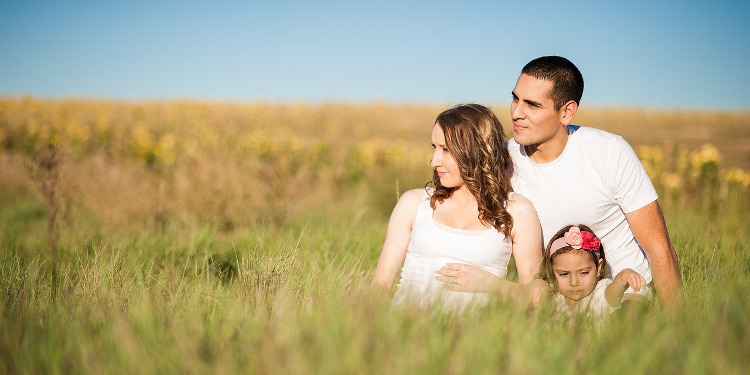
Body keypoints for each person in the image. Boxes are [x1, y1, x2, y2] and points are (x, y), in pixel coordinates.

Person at [454, 56, 683, 307]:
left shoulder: (610, 152)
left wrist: (677, 327)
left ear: (566, 112)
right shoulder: (502, 160)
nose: (516, 112)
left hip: (623, 297)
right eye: (515, 98)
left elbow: (658, 247)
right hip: (556, 300)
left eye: (532, 105)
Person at [370, 104, 543, 312]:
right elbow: (379, 287)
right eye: (434, 147)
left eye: (446, 150)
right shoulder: (414, 204)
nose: (434, 161)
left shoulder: (517, 210)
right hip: (405, 330)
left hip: (475, 338)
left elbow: (538, 297)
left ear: (476, 150)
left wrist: (489, 283)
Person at [538, 224, 646, 327]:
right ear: (552, 271)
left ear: (598, 268)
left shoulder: (599, 294)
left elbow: (613, 292)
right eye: (564, 274)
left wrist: (623, 278)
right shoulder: (553, 296)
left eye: (583, 273)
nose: (574, 282)